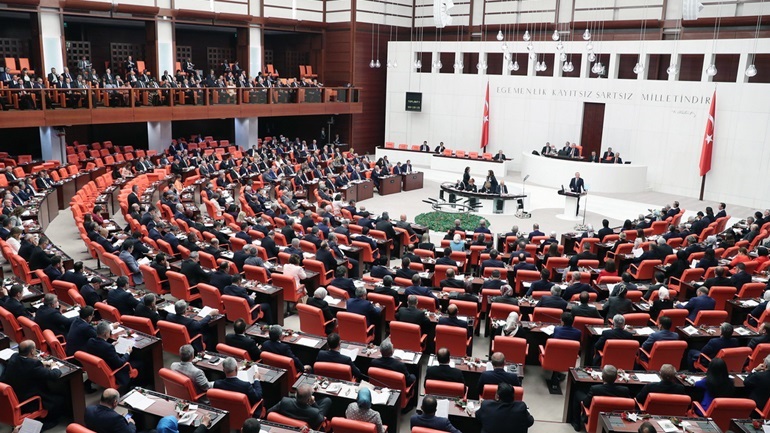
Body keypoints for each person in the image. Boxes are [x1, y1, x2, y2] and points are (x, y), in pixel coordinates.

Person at [2, 340, 63, 426]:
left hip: (16, 395)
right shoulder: (33, 365)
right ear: (32, 351)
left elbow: (26, 366)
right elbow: (54, 375)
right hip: (29, 401)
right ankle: (46, 423)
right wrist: (54, 366)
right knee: (60, 399)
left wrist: (42, 363)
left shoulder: (14, 357)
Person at [571, 365, 631, 430]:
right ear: (616, 377)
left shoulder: (595, 389)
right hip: (616, 422)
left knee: (577, 393)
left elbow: (586, 403)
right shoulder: (624, 390)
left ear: (602, 377)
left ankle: (577, 424)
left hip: (594, 419)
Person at [85, 321, 138, 389]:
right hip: (113, 371)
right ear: (106, 334)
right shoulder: (108, 347)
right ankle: (132, 387)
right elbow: (120, 363)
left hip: (99, 370)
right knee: (139, 363)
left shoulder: (90, 341)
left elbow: (100, 349)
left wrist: (111, 345)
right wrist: (128, 352)